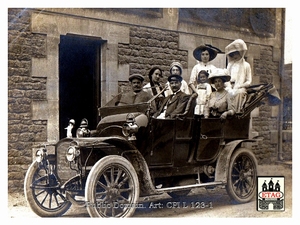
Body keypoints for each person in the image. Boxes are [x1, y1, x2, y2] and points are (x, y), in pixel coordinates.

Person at [224, 39, 252, 114]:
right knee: (225, 93)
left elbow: (248, 81)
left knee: (239, 93)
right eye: (232, 54)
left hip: (240, 87)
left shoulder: (246, 65)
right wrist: (229, 87)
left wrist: (240, 86)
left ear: (241, 52)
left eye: (236, 53)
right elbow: (226, 77)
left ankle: (236, 113)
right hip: (230, 85)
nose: (234, 56)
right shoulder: (230, 65)